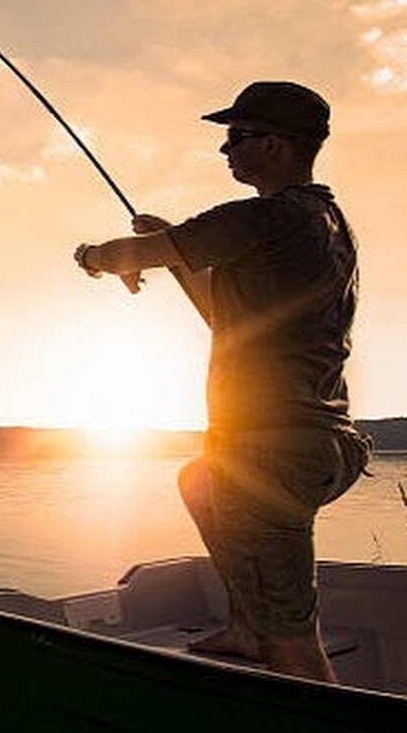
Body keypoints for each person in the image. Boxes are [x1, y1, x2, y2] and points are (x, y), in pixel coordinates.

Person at [74, 81, 370, 682]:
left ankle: (297, 679)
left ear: (279, 146)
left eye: (238, 137)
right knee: (202, 481)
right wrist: (170, 253)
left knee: (295, 650)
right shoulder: (326, 221)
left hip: (270, 453)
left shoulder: (262, 218)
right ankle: (244, 626)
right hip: (324, 445)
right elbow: (222, 313)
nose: (226, 150)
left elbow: (126, 251)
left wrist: (95, 256)